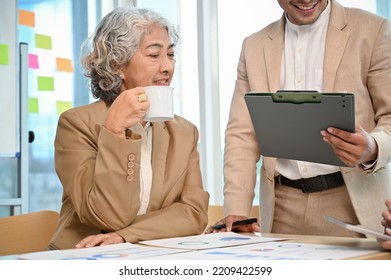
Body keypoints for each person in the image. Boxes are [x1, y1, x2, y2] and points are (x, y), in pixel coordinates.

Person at [206, 0, 391, 236]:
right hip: (281, 210)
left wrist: (373, 148)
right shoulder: (254, 46)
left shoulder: (373, 31)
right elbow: (242, 135)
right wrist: (238, 210)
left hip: (355, 206)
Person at [48, 7, 209, 250]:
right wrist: (113, 131)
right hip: (85, 258)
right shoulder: (75, 125)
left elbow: (193, 214)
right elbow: (108, 216)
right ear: (116, 65)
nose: (168, 67)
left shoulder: (185, 132)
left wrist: (125, 236)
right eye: (155, 55)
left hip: (150, 257)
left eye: (171, 54)